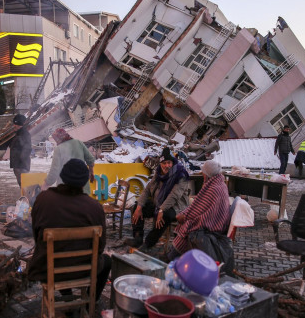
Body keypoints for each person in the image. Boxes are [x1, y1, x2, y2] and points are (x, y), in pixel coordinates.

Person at [28, 159, 111, 302]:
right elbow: (100, 247)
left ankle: (67, 298)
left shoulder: (43, 199)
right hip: (85, 270)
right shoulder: (95, 207)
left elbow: (37, 236)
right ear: (85, 182)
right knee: (107, 261)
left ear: (62, 177)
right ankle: (89, 303)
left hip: (48, 269)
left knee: (55, 255)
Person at [125, 147, 189, 251]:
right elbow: (147, 189)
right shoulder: (159, 173)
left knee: (165, 216)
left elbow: (174, 195)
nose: (166, 166)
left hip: (176, 207)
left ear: (172, 163)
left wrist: (161, 210)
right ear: (160, 164)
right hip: (159, 203)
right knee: (137, 206)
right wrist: (139, 206)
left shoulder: (181, 175)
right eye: (164, 163)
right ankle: (138, 238)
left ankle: (148, 244)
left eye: (169, 163)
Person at [167, 160, 231, 260]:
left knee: (187, 225)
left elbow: (198, 210)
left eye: (203, 173)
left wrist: (184, 215)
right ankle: (174, 255)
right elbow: (200, 206)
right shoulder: (220, 184)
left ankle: (173, 257)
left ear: (208, 174)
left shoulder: (213, 188)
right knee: (185, 221)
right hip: (217, 221)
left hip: (213, 225)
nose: (202, 175)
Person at [41, 128, 95, 194]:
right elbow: (90, 159)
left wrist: (45, 184)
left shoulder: (58, 149)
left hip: (66, 191)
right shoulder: (78, 142)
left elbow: (54, 171)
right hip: (82, 188)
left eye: (56, 138)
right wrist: (91, 172)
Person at [10, 114, 32, 187]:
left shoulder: (24, 134)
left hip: (21, 165)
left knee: (24, 186)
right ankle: (25, 197)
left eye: (15, 124)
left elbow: (27, 148)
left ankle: (27, 198)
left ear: (19, 124)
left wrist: (21, 159)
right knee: (23, 186)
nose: (14, 126)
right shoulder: (19, 133)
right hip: (18, 165)